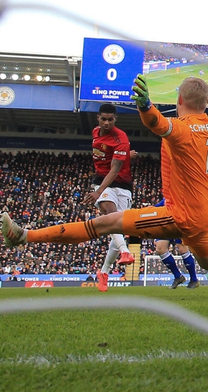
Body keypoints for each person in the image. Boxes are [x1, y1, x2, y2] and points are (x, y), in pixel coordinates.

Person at [1, 75, 208, 296]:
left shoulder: (181, 128)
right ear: (205, 102)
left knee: (105, 223)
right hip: (206, 209)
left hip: (182, 213)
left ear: (181, 98)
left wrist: (145, 106)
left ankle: (24, 236)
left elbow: (156, 123)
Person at [82, 103, 136, 292]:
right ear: (98, 118)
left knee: (118, 227)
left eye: (110, 119)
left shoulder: (120, 138)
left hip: (122, 184)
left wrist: (125, 155)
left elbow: (115, 168)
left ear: (116, 119)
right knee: (110, 213)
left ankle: (104, 271)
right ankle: (125, 252)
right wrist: (99, 190)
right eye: (103, 119)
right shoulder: (95, 132)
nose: (106, 122)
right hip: (102, 182)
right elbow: (106, 157)